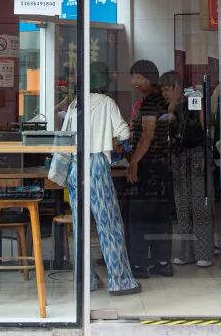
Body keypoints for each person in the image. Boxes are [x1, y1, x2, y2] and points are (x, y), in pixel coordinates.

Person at [61, 62, 141, 296]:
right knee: (109, 223)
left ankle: (87, 280)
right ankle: (120, 281)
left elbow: (65, 136)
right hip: (96, 163)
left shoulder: (75, 104)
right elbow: (124, 133)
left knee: (80, 225)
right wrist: (119, 151)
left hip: (75, 165)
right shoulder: (106, 102)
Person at [122, 59, 173, 278]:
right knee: (159, 217)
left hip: (149, 165)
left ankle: (139, 265)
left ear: (149, 77)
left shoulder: (151, 101)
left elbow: (147, 134)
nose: (134, 81)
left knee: (139, 217)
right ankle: (162, 262)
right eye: (132, 77)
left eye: (138, 77)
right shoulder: (160, 98)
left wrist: (134, 161)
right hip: (161, 164)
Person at [161, 71, 215, 268]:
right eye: (163, 90)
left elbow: (206, 127)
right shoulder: (169, 108)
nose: (165, 94)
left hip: (198, 155)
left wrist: (200, 104)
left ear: (177, 87)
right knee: (182, 206)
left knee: (200, 205)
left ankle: (204, 253)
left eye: (167, 89)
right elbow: (167, 132)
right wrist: (172, 107)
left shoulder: (195, 103)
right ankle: (186, 253)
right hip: (179, 158)